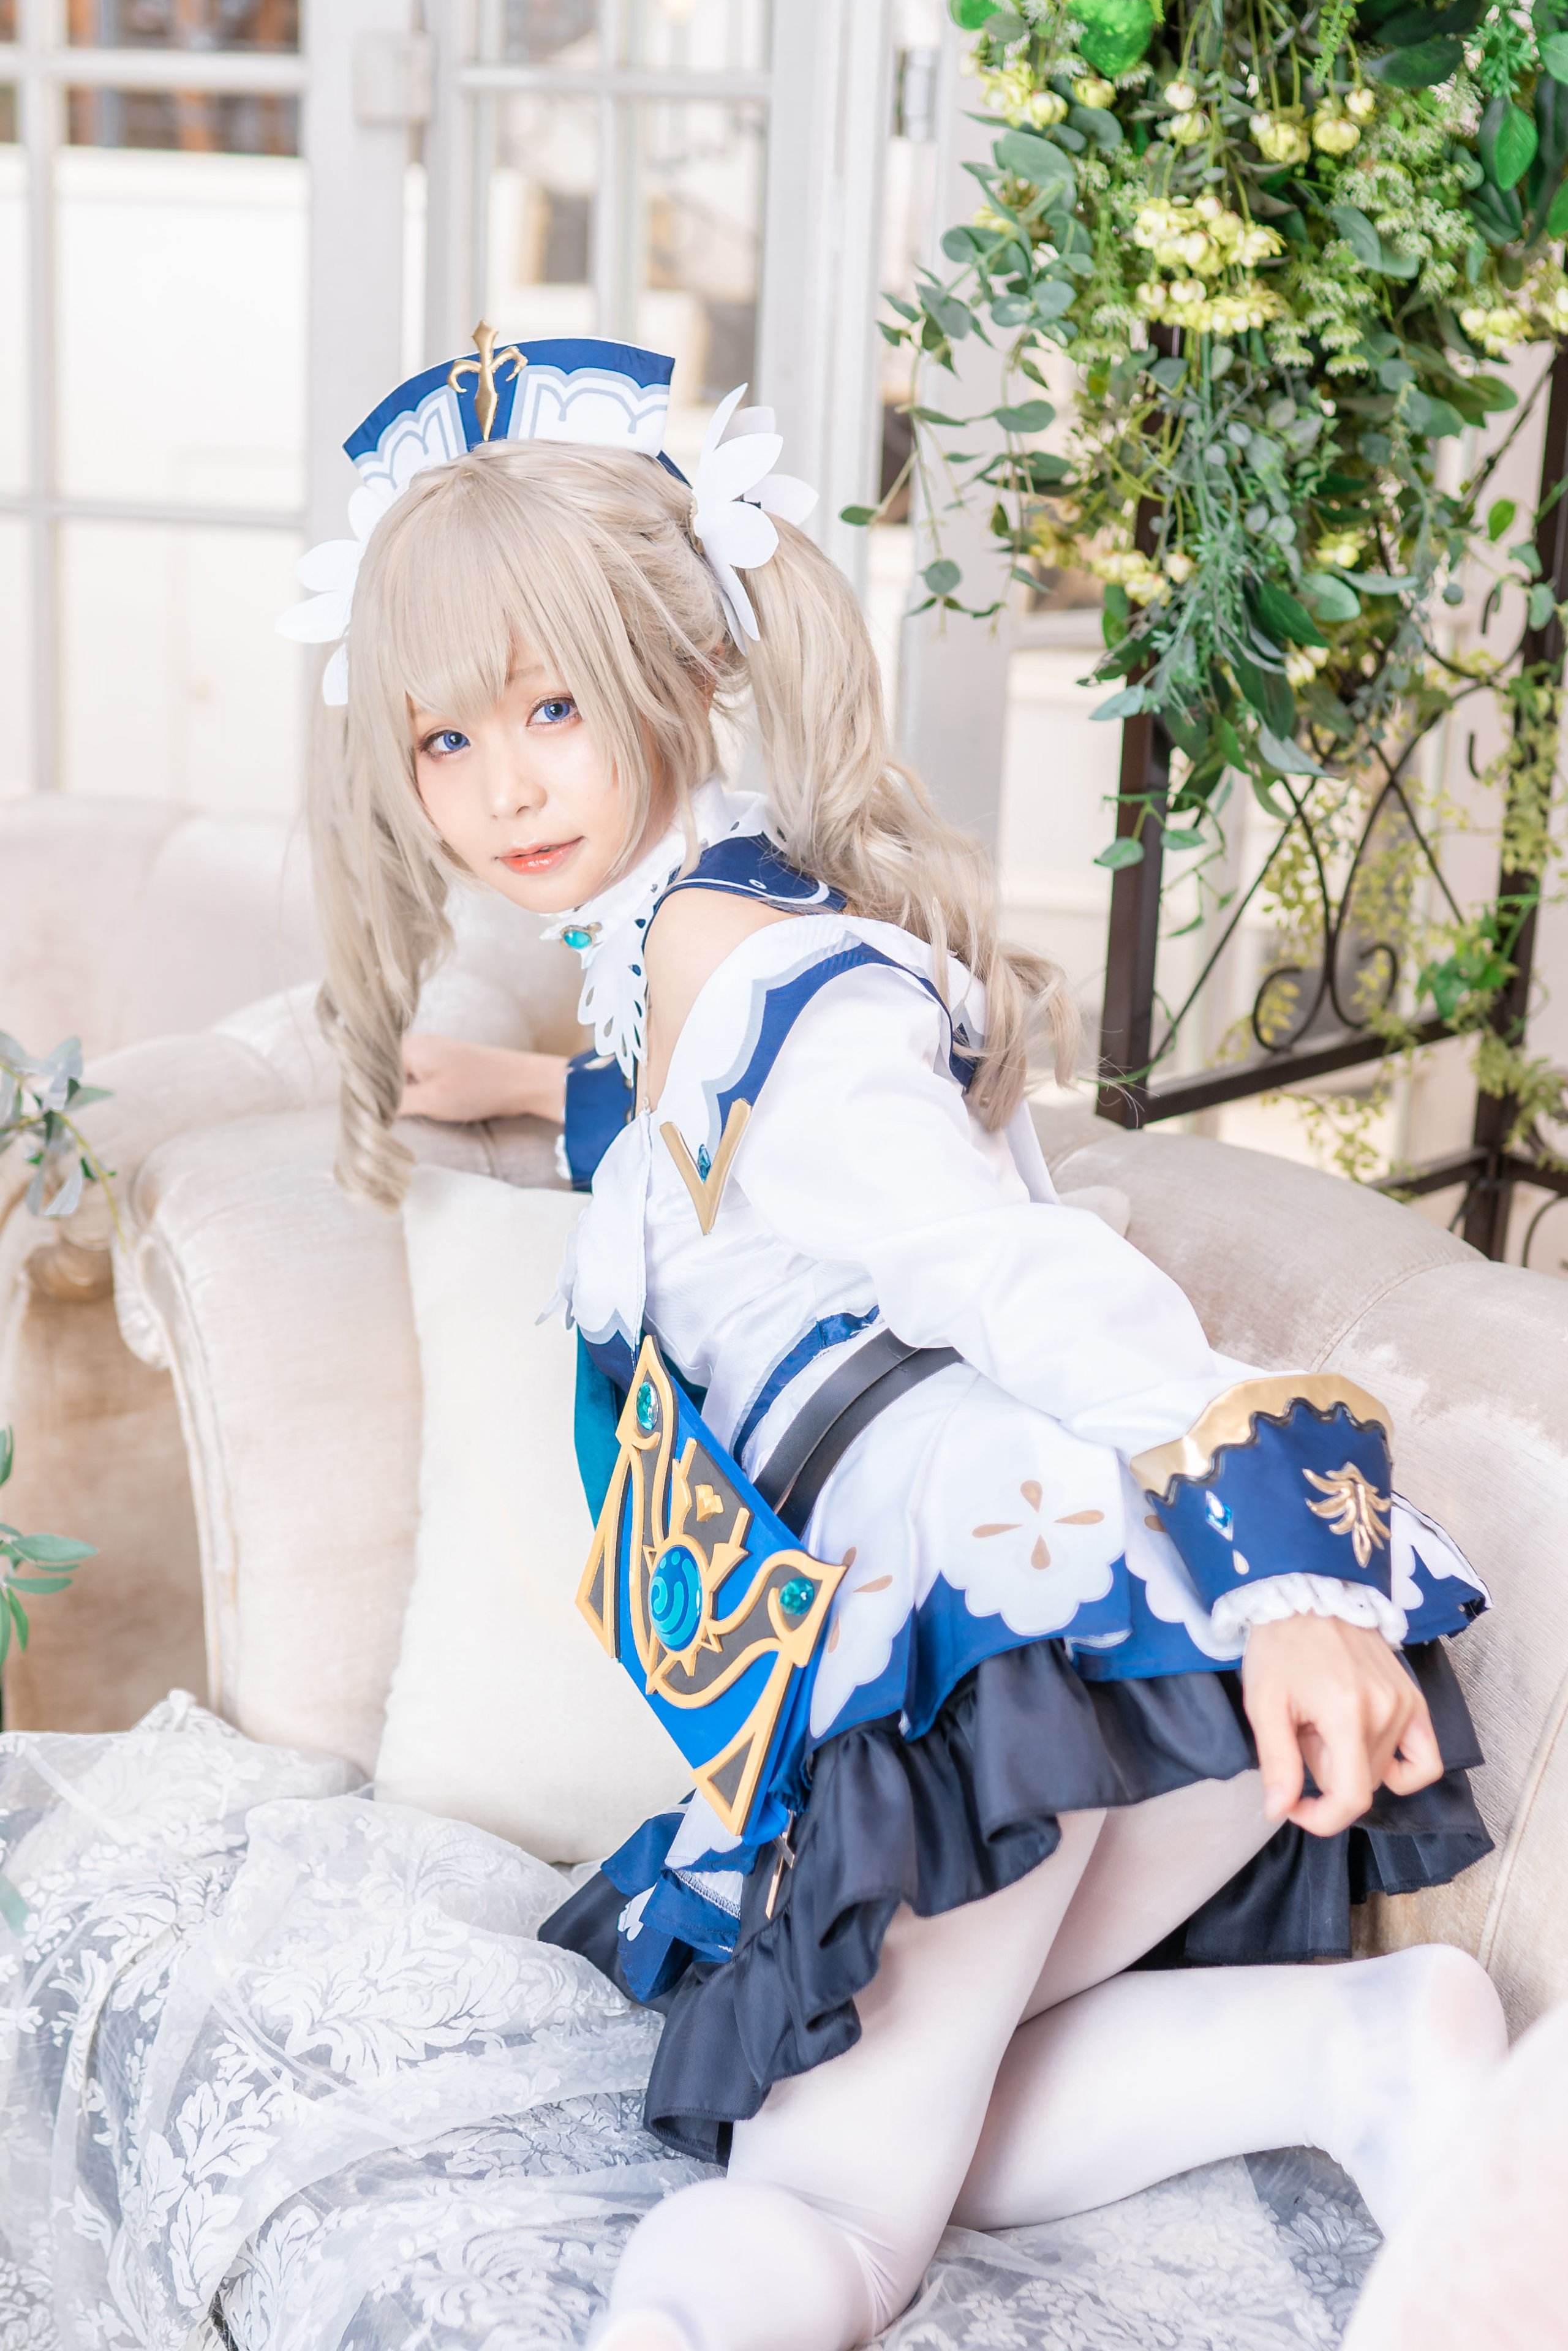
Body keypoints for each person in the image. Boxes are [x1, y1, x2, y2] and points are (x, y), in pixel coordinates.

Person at [300, 333, 1506, 2351]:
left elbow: (1000, 1269)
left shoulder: (762, 975)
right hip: (1059, 1625)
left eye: (553, 707)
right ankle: (1368, 2048)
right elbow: (717, 1160)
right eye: (445, 738)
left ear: (683, 669)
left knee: (824, 2199)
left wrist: (1294, 1580)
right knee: (926, 2115)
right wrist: (520, 1089)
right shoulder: (700, 951)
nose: (502, 787)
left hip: (1006, 1610)